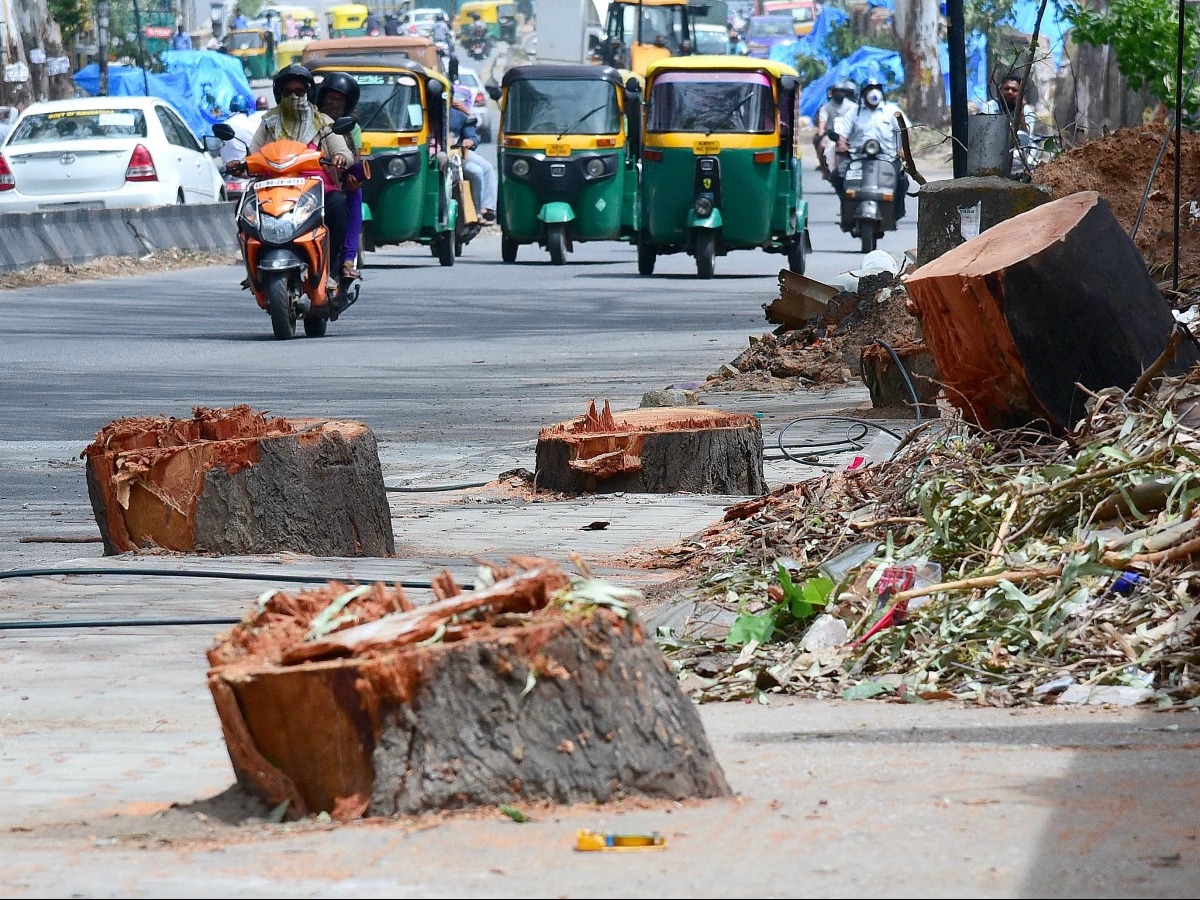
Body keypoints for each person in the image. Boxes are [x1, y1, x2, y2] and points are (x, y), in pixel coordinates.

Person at [244, 65, 353, 289]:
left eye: (299, 92)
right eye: (287, 92)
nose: (294, 97)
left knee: (337, 206)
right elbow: (252, 154)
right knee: (244, 210)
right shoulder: (269, 123)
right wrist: (240, 163)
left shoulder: (323, 123)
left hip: (315, 189)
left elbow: (343, 152)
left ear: (308, 93)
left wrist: (341, 157)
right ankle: (252, 268)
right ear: (278, 94)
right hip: (272, 188)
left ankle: (329, 271)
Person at [832, 78, 910, 219]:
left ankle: (895, 215)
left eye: (876, 88)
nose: (873, 93)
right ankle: (847, 210)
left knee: (903, 181)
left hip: (888, 158)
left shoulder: (892, 111)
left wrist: (903, 150)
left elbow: (905, 131)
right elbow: (842, 133)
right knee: (837, 176)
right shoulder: (854, 113)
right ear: (863, 94)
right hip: (858, 158)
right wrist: (842, 144)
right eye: (869, 89)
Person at [316, 71, 365, 280]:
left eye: (339, 101)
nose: (333, 104)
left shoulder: (351, 129)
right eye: (330, 99)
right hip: (304, 180)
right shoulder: (309, 122)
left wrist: (352, 175)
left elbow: (355, 157)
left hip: (337, 182)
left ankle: (346, 259)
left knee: (354, 195)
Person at [450, 86, 496, 224]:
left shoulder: (459, 115)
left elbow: (473, 134)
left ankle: (482, 210)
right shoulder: (431, 115)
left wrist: (469, 141)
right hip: (437, 155)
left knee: (481, 170)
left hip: (457, 154)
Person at [813, 79, 855, 181]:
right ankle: (825, 170)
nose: (839, 94)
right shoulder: (826, 107)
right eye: (837, 91)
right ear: (833, 93)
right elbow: (822, 121)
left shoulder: (852, 106)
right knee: (822, 146)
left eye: (841, 91)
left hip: (847, 135)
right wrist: (821, 131)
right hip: (832, 134)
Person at [220, 94, 264, 167]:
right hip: (247, 168)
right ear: (246, 109)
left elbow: (213, 149)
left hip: (229, 169)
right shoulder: (252, 124)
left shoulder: (223, 126)